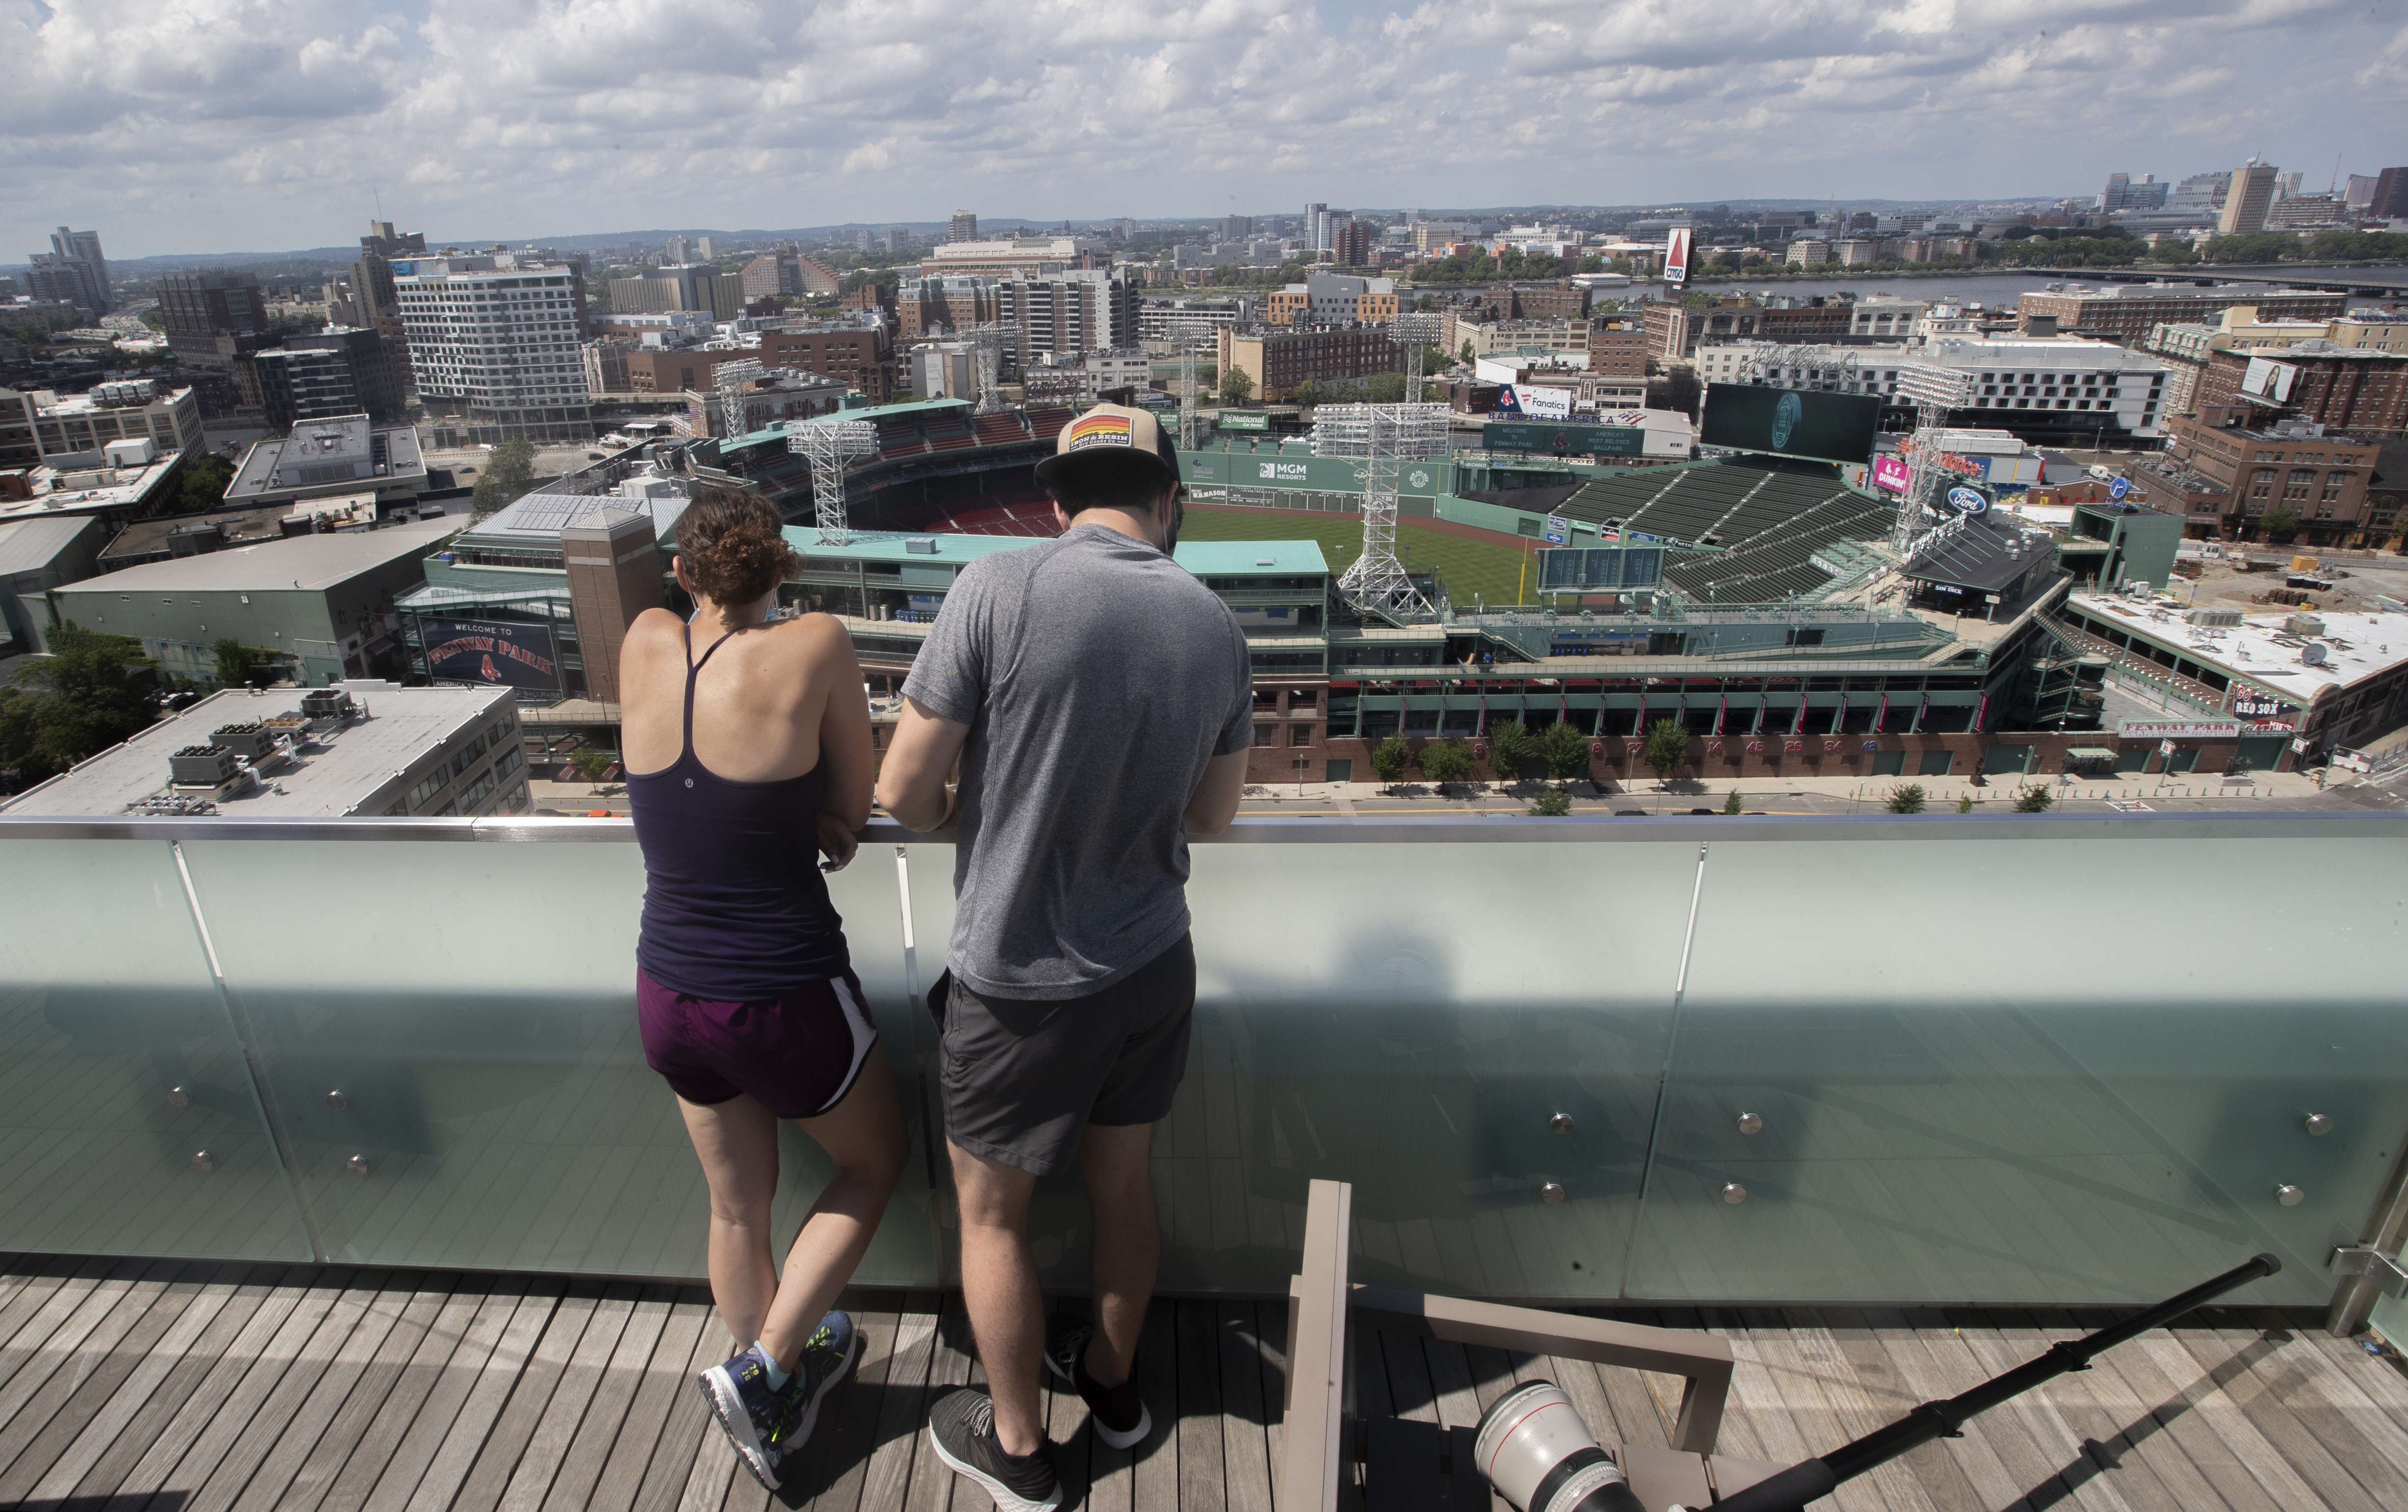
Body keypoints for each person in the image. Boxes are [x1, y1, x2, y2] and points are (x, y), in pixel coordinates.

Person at [879, 403, 1252, 1512]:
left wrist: (987, 808)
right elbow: (1217, 818)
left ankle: (1023, 1454)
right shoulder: (1216, 623)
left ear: (1057, 502)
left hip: (1021, 976)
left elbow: (902, 791)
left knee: (995, 1218)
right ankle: (1113, 1385)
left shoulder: (999, 587)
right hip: (1152, 963)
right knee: (1123, 1186)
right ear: (1170, 500)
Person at [620, 486, 907, 1492]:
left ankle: (768, 1383)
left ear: (686, 575)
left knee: (738, 1205)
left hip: (669, 987)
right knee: (876, 1161)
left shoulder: (645, 638)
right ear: (780, 569)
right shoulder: (818, 642)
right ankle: (769, 1367)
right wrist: (824, 819)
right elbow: (853, 802)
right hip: (779, 989)